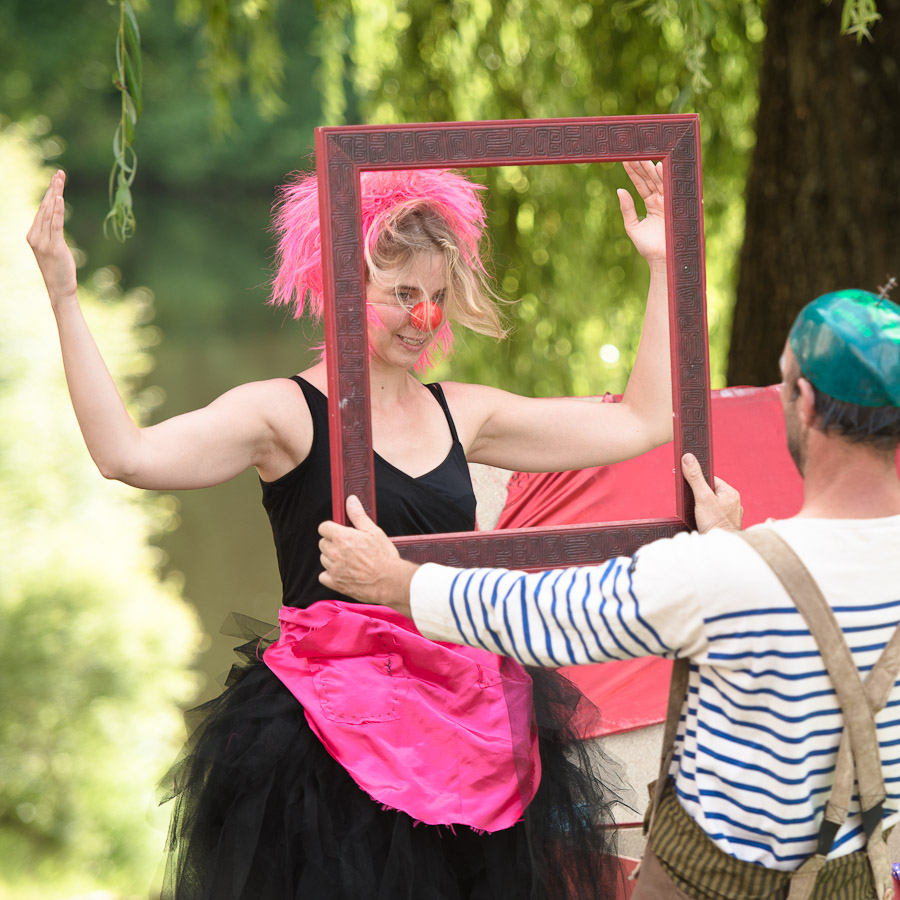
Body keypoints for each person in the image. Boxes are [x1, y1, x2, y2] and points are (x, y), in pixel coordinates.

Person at [27, 159, 673, 900]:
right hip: (328, 746)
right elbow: (126, 456)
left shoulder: (464, 413)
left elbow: (643, 421)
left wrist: (664, 265)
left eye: (436, 297)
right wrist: (65, 295)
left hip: (465, 734)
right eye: (403, 295)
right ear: (343, 288)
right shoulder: (282, 413)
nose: (424, 319)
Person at [319, 289, 900, 900]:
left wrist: (394, 580)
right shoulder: (740, 568)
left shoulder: (729, 575)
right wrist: (730, 543)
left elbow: (549, 614)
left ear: (804, 402)